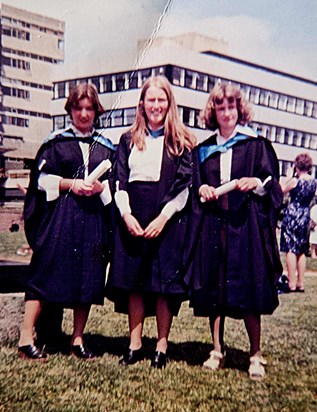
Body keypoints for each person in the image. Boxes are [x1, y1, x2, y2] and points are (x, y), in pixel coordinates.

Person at [188, 83, 283, 380]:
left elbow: (272, 185)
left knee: (249, 287)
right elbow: (195, 185)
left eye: (231, 107)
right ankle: (217, 349)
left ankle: (255, 353)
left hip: (246, 225)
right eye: (220, 107)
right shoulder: (203, 150)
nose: (226, 113)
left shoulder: (256, 145)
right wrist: (201, 187)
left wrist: (254, 182)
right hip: (215, 227)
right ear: (213, 112)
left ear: (239, 110)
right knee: (215, 287)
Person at [18, 83, 115, 360]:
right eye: (78, 108)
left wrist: (99, 188)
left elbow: (113, 183)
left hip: (92, 220)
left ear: (96, 111)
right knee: (44, 271)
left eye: (89, 108)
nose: (83, 114)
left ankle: (77, 339)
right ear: (70, 110)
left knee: (88, 276)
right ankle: (26, 338)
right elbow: (40, 180)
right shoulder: (55, 142)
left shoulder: (106, 146)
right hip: (61, 217)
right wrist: (71, 184)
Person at [106, 76, 196, 368]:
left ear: (169, 104)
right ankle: (134, 344)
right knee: (135, 283)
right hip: (133, 215)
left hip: (166, 219)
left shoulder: (181, 142)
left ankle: (160, 346)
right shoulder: (127, 139)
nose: (156, 105)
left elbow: (184, 186)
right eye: (151, 99)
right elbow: (118, 180)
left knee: (162, 285)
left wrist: (164, 217)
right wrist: (126, 214)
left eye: (161, 100)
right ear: (141, 103)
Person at [280, 153, 316, 292]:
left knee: (291, 248)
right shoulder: (314, 182)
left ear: (297, 166)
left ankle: (291, 283)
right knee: (301, 249)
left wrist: (289, 176)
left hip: (293, 214)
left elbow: (281, 191)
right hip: (305, 215)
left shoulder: (296, 181)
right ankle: (301, 283)